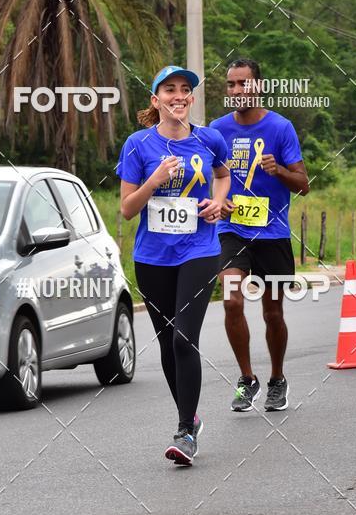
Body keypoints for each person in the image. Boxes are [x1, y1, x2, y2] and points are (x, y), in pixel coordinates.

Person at [117, 65, 230, 464]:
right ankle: (191, 417)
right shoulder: (138, 144)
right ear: (156, 100)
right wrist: (154, 180)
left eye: (185, 90)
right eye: (169, 90)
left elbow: (223, 174)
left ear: (192, 99)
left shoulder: (209, 138)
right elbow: (128, 209)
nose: (178, 95)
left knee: (184, 338)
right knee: (167, 344)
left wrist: (219, 201)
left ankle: (184, 432)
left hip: (200, 249)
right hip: (152, 257)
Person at [210, 59, 309, 412]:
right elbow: (208, 175)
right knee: (232, 300)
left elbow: (304, 185)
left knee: (272, 314)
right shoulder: (217, 129)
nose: (236, 91)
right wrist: (216, 204)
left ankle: (277, 379)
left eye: (243, 84)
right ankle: (246, 378)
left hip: (273, 232)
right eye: (231, 85)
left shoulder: (281, 128)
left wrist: (278, 169)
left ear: (259, 87)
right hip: (232, 229)